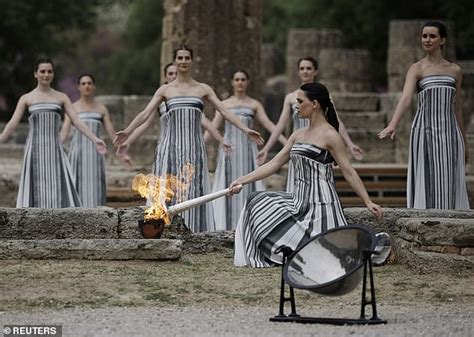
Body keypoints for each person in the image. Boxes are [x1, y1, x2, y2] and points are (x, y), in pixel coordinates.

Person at [229, 82, 383, 268]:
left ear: (315, 104)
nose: (297, 106)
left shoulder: (330, 135)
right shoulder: (298, 134)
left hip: (321, 206)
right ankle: (292, 253)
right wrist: (242, 180)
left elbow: (348, 172)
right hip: (298, 201)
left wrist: (368, 201)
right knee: (255, 200)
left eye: (300, 101)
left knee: (324, 257)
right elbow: (274, 163)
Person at [114, 46, 264, 233]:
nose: (183, 61)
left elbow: (224, 111)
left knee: (192, 188)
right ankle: (162, 229)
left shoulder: (202, 89)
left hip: (194, 149)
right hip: (169, 148)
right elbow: (145, 114)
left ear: (191, 61)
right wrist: (127, 131)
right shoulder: (166, 90)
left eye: (187, 58)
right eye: (180, 58)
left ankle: (193, 231)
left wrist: (246, 129)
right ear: (175, 61)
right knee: (167, 190)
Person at [378, 21, 469, 209]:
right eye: (424, 36)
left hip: (450, 132)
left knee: (449, 177)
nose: (427, 40)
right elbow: (405, 98)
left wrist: (464, 141)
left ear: (442, 40)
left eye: (432, 36)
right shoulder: (417, 69)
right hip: (424, 130)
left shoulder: (455, 71)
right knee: (427, 176)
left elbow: (458, 107)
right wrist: (392, 124)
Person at [0, 58, 107, 208]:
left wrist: (95, 139)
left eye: (49, 71)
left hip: (55, 149)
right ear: (35, 74)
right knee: (36, 187)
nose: (46, 74)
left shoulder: (61, 97)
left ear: (53, 74)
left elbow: (76, 120)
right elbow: (12, 124)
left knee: (56, 186)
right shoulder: (26, 98)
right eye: (42, 71)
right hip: (34, 150)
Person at [257, 57, 364, 192]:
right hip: (299, 147)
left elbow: (335, 120)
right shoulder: (290, 98)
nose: (305, 71)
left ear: (315, 71)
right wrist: (267, 148)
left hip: (317, 148)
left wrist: (350, 144)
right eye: (302, 68)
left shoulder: (323, 96)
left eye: (309, 68)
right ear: (298, 72)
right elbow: (280, 126)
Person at [206, 69, 287, 230]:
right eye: (237, 79)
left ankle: (248, 226)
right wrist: (201, 146)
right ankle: (225, 226)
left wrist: (288, 143)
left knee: (248, 185)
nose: (240, 82)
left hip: (248, 154)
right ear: (232, 82)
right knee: (228, 187)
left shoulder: (254, 104)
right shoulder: (224, 104)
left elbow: (269, 124)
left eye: (243, 79)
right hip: (230, 152)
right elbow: (213, 127)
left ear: (247, 82)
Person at [60, 73, 129, 207]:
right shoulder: (72, 108)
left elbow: (111, 134)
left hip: (95, 154)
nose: (87, 86)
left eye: (89, 83)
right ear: (78, 87)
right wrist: (55, 146)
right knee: (76, 184)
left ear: (94, 86)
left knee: (95, 187)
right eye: (83, 83)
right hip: (77, 153)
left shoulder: (101, 109)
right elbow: (64, 131)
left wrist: (123, 154)